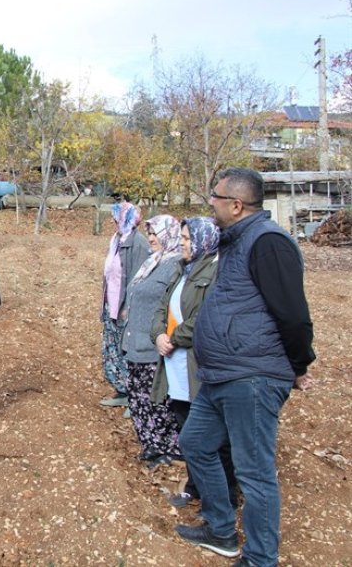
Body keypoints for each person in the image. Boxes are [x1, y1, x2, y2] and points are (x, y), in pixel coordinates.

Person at [175, 168, 316, 565]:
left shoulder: (269, 243)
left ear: (236, 205)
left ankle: (259, 557)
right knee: (195, 443)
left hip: (251, 376)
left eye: (215, 198)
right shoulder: (236, 242)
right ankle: (221, 530)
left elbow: (292, 314)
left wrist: (299, 363)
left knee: (254, 472)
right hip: (222, 374)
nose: (210, 204)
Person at [150, 216, 237, 506]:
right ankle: (196, 487)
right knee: (186, 427)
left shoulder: (215, 272)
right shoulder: (181, 270)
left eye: (187, 239)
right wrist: (159, 335)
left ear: (203, 241)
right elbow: (162, 307)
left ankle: (225, 493)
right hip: (174, 366)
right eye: (183, 239)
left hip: (196, 365)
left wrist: (174, 338)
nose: (183, 243)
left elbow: (204, 318)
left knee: (212, 436)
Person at [120, 215, 182, 467]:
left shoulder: (175, 265)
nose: (151, 238)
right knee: (138, 398)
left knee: (157, 401)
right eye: (150, 233)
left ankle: (167, 448)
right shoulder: (152, 262)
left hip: (153, 347)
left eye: (156, 233)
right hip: (135, 343)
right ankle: (151, 445)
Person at [100, 202, 150, 407]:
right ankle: (121, 390)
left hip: (124, 308)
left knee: (126, 351)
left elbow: (139, 280)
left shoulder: (138, 243)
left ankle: (134, 397)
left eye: (117, 217)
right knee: (112, 349)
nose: (113, 221)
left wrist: (127, 308)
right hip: (111, 305)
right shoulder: (117, 239)